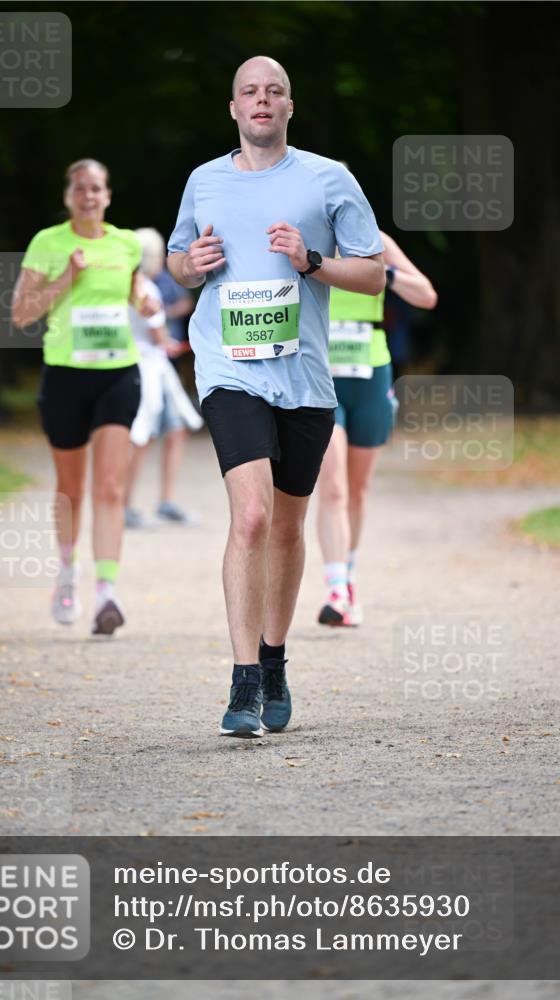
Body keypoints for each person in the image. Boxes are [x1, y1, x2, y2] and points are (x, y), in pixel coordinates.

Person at [167, 55, 385, 738]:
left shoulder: (329, 179)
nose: (261, 101)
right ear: (233, 109)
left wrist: (312, 262)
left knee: (289, 526)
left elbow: (375, 276)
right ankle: (242, 684)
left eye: (274, 91)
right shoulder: (203, 181)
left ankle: (274, 657)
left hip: (305, 379)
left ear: (289, 106)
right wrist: (189, 268)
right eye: (249, 92)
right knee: (252, 517)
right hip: (228, 371)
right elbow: (176, 260)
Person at [12, 158, 151, 635]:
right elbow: (21, 314)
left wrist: (145, 301)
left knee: (110, 486)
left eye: (96, 188)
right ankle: (68, 573)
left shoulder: (126, 243)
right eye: (80, 189)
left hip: (118, 374)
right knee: (71, 490)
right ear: (68, 197)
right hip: (66, 377)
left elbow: (135, 292)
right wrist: (65, 278)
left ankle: (107, 594)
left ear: (107, 196)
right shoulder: (47, 243)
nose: (88, 196)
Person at [317, 231, 437, 626]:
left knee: (357, 487)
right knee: (332, 485)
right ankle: (335, 589)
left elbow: (426, 295)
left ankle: (348, 579)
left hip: (370, 374)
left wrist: (383, 274)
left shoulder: (374, 241)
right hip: (321, 378)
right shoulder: (298, 241)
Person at [124, 228, 203, 528]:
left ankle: (165, 501)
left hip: (155, 368)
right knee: (143, 436)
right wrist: (167, 342)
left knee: (175, 429)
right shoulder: (145, 289)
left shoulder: (132, 286)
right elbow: (157, 335)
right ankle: (125, 506)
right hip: (147, 371)